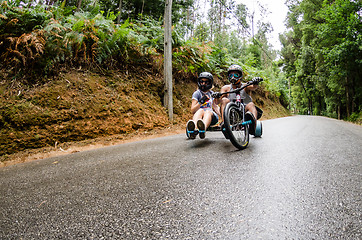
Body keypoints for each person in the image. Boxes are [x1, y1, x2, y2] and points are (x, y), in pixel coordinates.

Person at [214, 64, 260, 134]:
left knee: (251, 104)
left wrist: (255, 82)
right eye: (230, 75)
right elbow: (217, 102)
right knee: (224, 100)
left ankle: (253, 125)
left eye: (235, 75)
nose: (233, 77)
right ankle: (225, 124)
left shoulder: (245, 86)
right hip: (231, 114)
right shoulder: (226, 88)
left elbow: (253, 87)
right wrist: (217, 97)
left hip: (244, 113)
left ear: (240, 76)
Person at [186, 72, 220, 139]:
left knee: (207, 111)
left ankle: (203, 128)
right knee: (200, 110)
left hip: (212, 117)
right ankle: (194, 129)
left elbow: (215, 107)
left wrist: (224, 117)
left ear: (210, 83)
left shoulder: (212, 94)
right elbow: (193, 110)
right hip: (200, 118)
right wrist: (201, 102)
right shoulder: (197, 93)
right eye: (201, 82)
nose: (203, 84)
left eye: (206, 82)